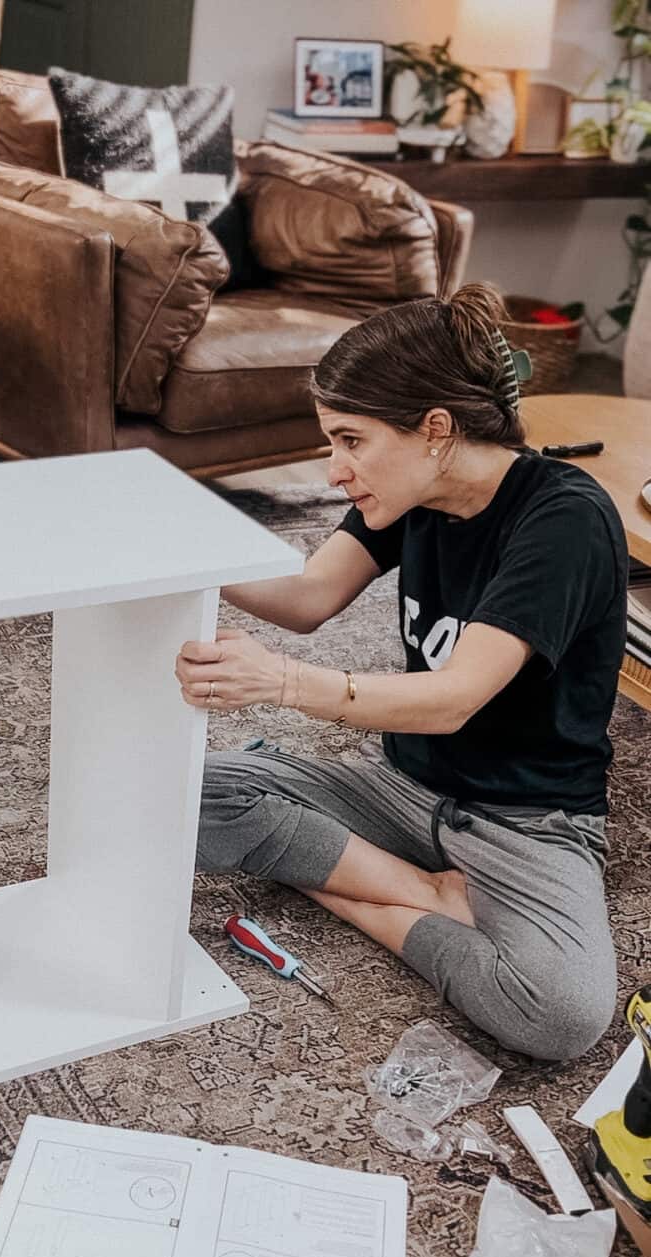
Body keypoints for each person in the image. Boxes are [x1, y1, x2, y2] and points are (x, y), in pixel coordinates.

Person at [176, 283, 628, 1062]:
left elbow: (453, 699)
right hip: (401, 786)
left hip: (527, 817)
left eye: (351, 440)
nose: (333, 472)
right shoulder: (411, 492)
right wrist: (182, 559)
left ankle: (358, 882)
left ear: (437, 430)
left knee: (560, 1014)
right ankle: (422, 891)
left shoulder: (564, 521)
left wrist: (283, 682)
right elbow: (312, 597)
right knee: (169, 793)